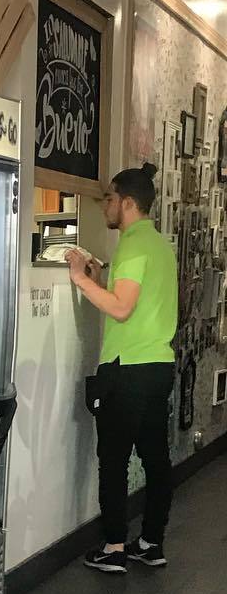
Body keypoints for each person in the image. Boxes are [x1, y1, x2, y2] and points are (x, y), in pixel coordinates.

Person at [66, 163, 178, 573]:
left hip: (127, 369)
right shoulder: (159, 245)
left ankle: (114, 546)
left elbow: (122, 308)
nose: (105, 206)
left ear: (128, 203)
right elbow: (135, 303)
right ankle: (150, 542)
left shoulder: (132, 245)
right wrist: (101, 281)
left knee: (113, 460)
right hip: (158, 366)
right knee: (155, 459)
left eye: (109, 198)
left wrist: (80, 279)